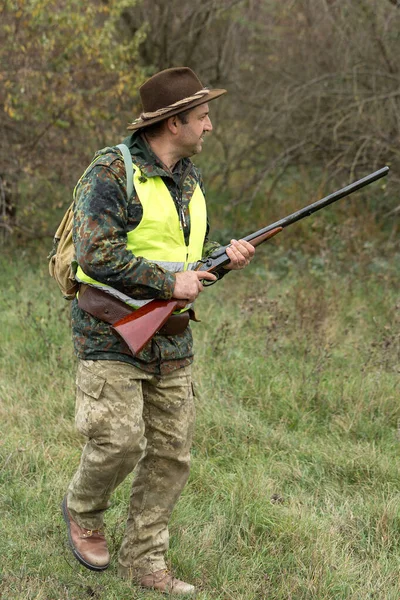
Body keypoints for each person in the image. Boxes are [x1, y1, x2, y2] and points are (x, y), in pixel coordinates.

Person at [62, 66, 255, 595]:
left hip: (171, 334)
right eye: (203, 116)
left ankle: (145, 564)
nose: (210, 126)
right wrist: (170, 281)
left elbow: (185, 262)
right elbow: (95, 254)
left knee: (171, 455)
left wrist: (220, 263)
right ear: (173, 123)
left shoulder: (188, 179)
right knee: (119, 442)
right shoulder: (110, 173)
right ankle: (83, 510)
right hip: (110, 330)